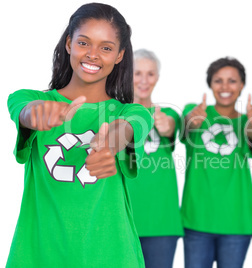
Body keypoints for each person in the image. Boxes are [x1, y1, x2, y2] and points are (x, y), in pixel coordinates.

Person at [6, 3, 153, 267]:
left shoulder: (133, 112)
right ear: (69, 43)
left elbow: (130, 127)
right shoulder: (30, 99)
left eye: (106, 48)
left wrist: (110, 145)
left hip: (111, 256)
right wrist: (34, 112)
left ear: (119, 55)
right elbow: (23, 109)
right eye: (84, 43)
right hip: (38, 255)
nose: (93, 55)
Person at [180, 57, 252, 268]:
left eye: (232, 81)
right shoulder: (196, 112)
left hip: (236, 220)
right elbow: (185, 129)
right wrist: (190, 121)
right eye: (218, 80)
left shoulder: (247, 121)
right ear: (210, 84)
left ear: (242, 85)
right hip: (197, 219)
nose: (225, 87)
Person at [127, 49, 183, 268]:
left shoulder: (168, 113)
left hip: (162, 223)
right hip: (123, 221)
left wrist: (165, 126)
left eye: (150, 74)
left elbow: (171, 128)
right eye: (138, 73)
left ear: (157, 78)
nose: (144, 80)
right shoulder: (116, 115)